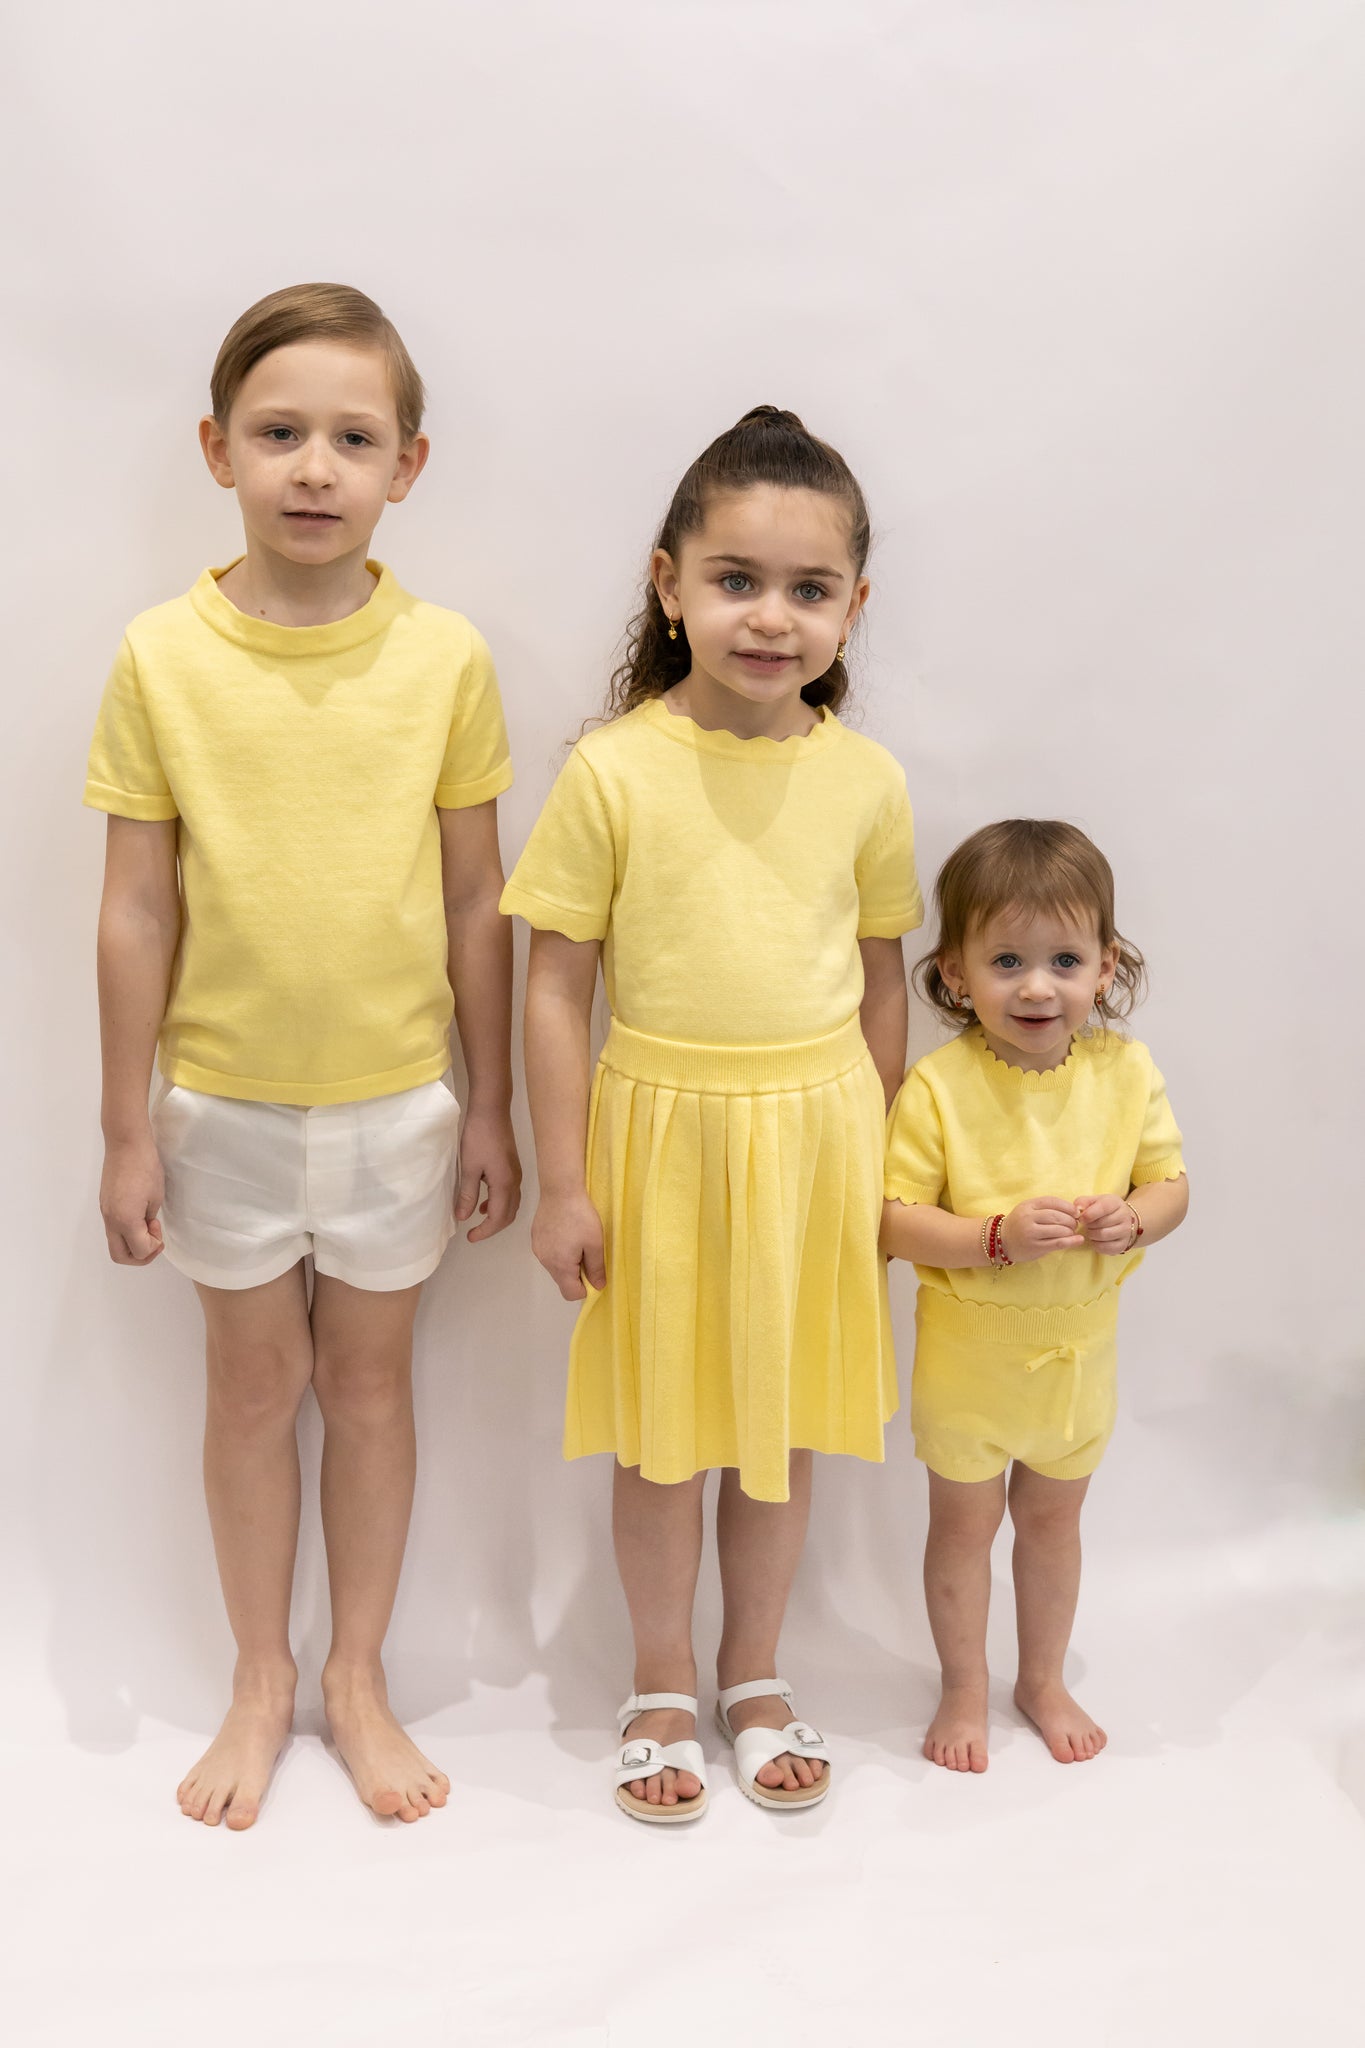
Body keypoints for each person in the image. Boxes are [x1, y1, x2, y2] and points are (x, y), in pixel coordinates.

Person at [86, 283, 520, 1829]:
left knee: (372, 1387)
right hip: (220, 1104)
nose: (315, 469)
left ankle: (358, 1676)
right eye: (279, 434)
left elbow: (475, 900)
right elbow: (136, 908)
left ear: (408, 465)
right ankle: (260, 1677)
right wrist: (125, 1128)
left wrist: (492, 1106)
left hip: (401, 1103)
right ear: (218, 450)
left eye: (354, 438)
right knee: (254, 1387)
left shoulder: (445, 658)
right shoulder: (161, 657)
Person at [502, 407, 921, 1820]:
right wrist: (566, 1181)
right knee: (663, 1434)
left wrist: (878, 1156)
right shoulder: (613, 769)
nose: (770, 616)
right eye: (736, 579)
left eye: (809, 589)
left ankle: (756, 1672)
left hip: (815, 1145)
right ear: (669, 583)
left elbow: (880, 977)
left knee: (780, 1427)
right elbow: (555, 984)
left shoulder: (865, 778)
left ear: (853, 606)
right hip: (661, 1144)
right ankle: (662, 1680)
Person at [881, 819, 1188, 1773]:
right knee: (962, 1528)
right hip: (968, 1360)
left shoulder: (1125, 1072)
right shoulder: (937, 1086)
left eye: (1064, 960)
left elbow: (1171, 1187)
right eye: (1006, 961)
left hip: (1076, 1359)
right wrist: (993, 1238)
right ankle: (963, 1686)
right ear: (955, 974)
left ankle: (1041, 1679)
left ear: (1104, 966)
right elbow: (891, 1221)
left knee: (1053, 1524)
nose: (1036, 987)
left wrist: (1133, 1219)